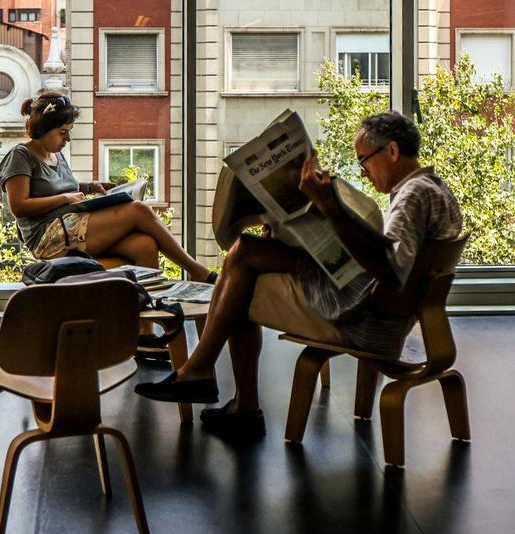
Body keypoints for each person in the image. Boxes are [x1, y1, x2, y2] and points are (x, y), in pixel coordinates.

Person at [136, 111, 463, 440]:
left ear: (391, 151)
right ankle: (210, 379)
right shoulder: (435, 189)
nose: (363, 172)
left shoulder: (412, 196)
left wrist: (331, 205)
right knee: (247, 254)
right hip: (386, 312)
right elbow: (389, 259)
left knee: (243, 278)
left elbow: (391, 272)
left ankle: (219, 386)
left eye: (364, 161)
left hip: (369, 322)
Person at [0, 92, 213, 282]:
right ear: (43, 129)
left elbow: (56, 187)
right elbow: (19, 206)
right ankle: (196, 270)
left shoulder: (56, 154)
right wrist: (67, 199)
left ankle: (142, 323)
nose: (68, 139)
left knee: (145, 246)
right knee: (139, 210)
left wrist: (91, 187)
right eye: (63, 132)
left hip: (69, 225)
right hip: (48, 236)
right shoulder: (20, 156)